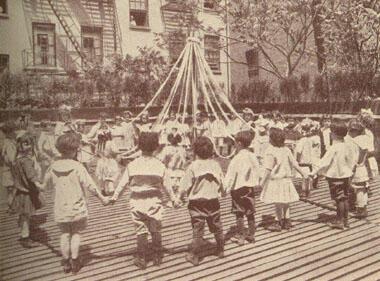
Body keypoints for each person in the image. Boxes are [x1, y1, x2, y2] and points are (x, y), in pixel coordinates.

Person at [41, 133, 108, 273]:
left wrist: (34, 183)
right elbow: (90, 185)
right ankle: (75, 260)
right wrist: (102, 198)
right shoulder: (77, 166)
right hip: (77, 206)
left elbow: (43, 185)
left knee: (64, 234)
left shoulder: (53, 167)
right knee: (76, 233)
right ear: (73, 150)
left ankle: (65, 261)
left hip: (60, 206)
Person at [111, 132, 177, 269]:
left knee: (141, 230)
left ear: (139, 146)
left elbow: (123, 184)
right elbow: (168, 186)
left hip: (137, 201)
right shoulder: (160, 165)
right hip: (155, 201)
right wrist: (174, 199)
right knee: (156, 229)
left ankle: (141, 258)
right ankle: (157, 255)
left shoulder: (133, 165)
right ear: (156, 147)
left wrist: (114, 197)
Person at [178, 136, 225, 266]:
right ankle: (220, 249)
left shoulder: (193, 166)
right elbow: (222, 181)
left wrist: (179, 197)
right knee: (217, 226)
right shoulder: (215, 165)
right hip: (213, 202)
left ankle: (194, 255)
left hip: (197, 204)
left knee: (198, 229)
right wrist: (223, 192)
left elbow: (185, 185)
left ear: (195, 152)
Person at [260, 128, 308, 232]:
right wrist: (303, 172)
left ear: (272, 139)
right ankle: (287, 220)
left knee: (278, 202)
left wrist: (262, 182)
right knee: (286, 201)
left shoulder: (270, 151)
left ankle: (278, 221)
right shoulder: (286, 149)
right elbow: (294, 163)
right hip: (286, 180)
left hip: (276, 181)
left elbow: (268, 168)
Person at [309, 121, 355, 230]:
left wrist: (313, 172)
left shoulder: (333, 148)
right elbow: (352, 161)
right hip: (346, 176)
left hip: (335, 177)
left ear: (333, 134)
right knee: (344, 198)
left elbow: (324, 162)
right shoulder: (347, 146)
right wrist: (350, 171)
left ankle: (339, 221)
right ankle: (345, 220)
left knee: (338, 199)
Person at [224, 131, 260, 245]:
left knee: (239, 213)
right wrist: (257, 181)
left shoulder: (236, 158)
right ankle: (251, 235)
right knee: (250, 212)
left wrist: (225, 188)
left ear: (239, 143)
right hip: (249, 188)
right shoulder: (252, 156)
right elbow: (257, 169)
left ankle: (240, 236)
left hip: (237, 189)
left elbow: (230, 175)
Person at [11, 132, 43, 248]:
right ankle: (25, 237)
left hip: (20, 191)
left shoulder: (17, 159)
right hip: (26, 192)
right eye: (26, 144)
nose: (29, 147)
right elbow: (31, 176)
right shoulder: (26, 161)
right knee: (26, 215)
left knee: (24, 214)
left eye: (30, 144)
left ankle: (25, 230)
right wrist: (39, 185)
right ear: (20, 145)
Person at [345, 119, 370, 218]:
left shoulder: (357, 140)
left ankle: (360, 209)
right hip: (361, 167)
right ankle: (362, 208)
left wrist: (357, 163)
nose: (351, 132)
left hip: (357, 167)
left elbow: (362, 153)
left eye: (353, 130)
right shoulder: (363, 139)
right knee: (363, 189)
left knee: (359, 189)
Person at [157, 133, 187, 199]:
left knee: (169, 191)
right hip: (181, 172)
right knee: (179, 192)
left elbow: (160, 159)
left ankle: (173, 200)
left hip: (169, 172)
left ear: (169, 140)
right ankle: (178, 199)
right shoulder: (182, 149)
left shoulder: (166, 149)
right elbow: (185, 160)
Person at [1, 121, 17, 212]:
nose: (15, 133)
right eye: (13, 131)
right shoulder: (9, 143)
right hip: (10, 170)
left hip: (6, 170)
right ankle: (12, 206)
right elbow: (11, 159)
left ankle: (10, 207)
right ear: (9, 132)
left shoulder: (5, 142)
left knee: (10, 190)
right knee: (13, 189)